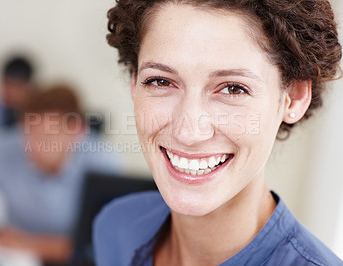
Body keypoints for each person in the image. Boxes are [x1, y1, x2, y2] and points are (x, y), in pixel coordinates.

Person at [93, 0, 343, 265]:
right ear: (134, 83)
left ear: (292, 98)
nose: (188, 132)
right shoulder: (115, 227)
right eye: (160, 81)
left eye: (233, 88)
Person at [0, 85, 124, 265]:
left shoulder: (102, 161)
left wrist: (27, 243)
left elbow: (100, 243)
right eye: (29, 134)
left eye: (47, 136)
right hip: (17, 259)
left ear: (77, 130)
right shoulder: (0, 148)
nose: (34, 147)